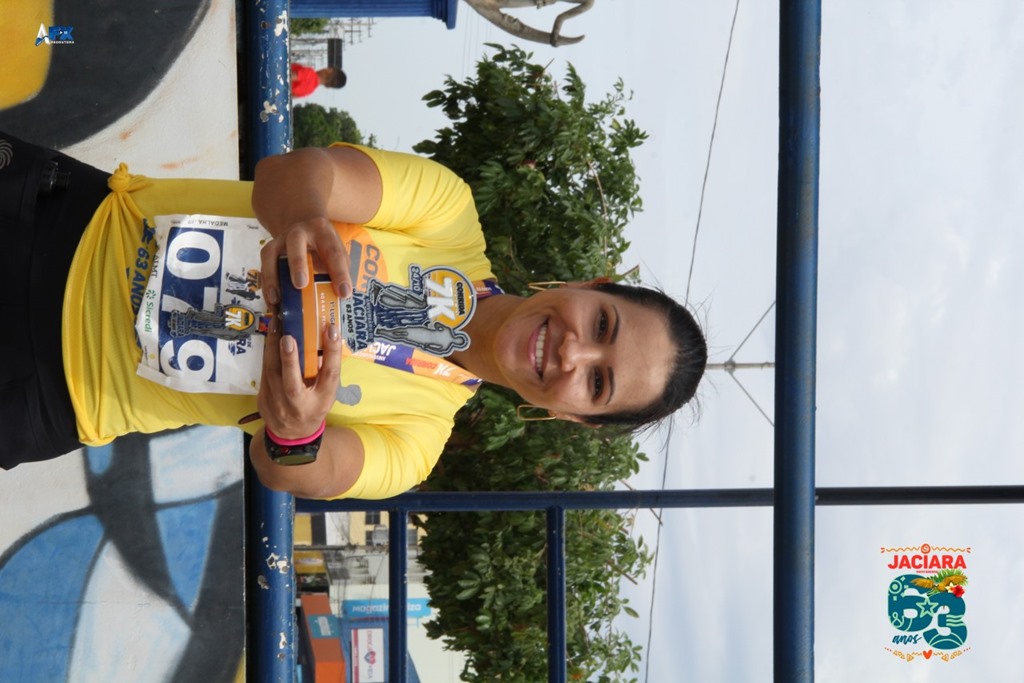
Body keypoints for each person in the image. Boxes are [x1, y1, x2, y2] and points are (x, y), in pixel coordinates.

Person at [0, 132, 707, 499]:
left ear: (574, 418)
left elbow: (300, 472)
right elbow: (291, 174)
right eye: (603, 324)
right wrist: (302, 216)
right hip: (54, 221)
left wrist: (296, 430)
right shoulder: (448, 213)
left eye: (597, 383)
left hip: (48, 393)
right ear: (590, 284)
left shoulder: (417, 441)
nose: (573, 352)